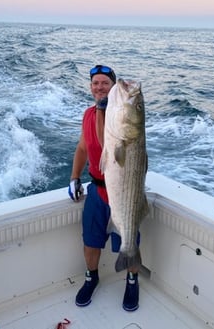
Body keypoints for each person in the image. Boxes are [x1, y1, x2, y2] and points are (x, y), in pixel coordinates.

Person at [68, 65, 140, 311]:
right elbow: (83, 147)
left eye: (105, 83)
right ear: (90, 87)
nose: (99, 87)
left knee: (129, 239)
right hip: (97, 191)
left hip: (123, 192)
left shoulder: (117, 116)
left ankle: (132, 281)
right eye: (95, 83)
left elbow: (105, 142)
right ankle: (92, 277)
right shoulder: (89, 113)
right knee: (90, 241)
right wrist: (74, 177)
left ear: (111, 88)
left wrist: (105, 111)